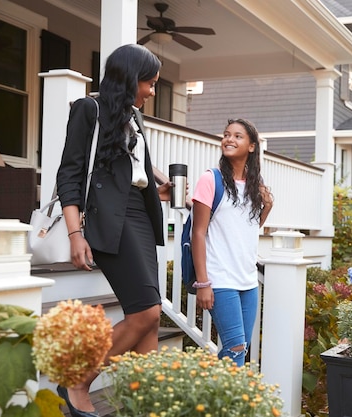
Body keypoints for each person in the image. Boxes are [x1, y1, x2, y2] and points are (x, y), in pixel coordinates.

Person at [56, 44, 172, 417]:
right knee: (147, 314)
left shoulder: (133, 118)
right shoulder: (88, 109)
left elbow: (129, 171)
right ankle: (78, 380)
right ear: (128, 78)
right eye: (149, 83)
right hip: (110, 218)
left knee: (148, 322)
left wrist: (157, 187)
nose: (152, 91)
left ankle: (145, 407)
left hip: (140, 215)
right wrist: (76, 234)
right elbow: (70, 174)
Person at [191, 118, 273, 367]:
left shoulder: (253, 185)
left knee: (237, 349)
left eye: (238, 136)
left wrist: (267, 206)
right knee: (236, 346)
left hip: (248, 281)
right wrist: (203, 282)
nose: (229, 139)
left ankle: (213, 400)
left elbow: (247, 229)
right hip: (220, 278)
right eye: (227, 134)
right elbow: (198, 233)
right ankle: (227, 403)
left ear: (251, 146)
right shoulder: (210, 179)